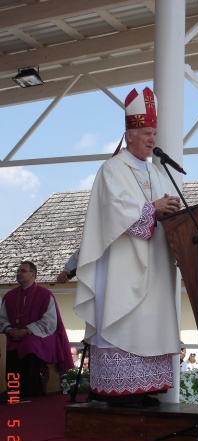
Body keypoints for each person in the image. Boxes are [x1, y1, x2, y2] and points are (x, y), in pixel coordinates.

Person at [74, 86, 181, 407]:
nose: (152, 139)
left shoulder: (160, 172)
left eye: (154, 133)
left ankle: (145, 387)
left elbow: (166, 206)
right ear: (129, 135)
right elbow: (115, 210)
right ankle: (119, 391)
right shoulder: (112, 169)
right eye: (146, 133)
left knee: (151, 322)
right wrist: (152, 209)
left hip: (155, 266)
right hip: (123, 264)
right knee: (122, 318)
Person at [0, 260, 74, 398]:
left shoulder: (45, 294)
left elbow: (50, 322)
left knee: (29, 344)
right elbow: (2, 319)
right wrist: (9, 329)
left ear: (33, 274)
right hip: (13, 335)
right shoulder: (9, 296)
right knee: (7, 346)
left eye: (23, 271)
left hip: (40, 336)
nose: (19, 274)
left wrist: (27, 331)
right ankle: (11, 390)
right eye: (18, 271)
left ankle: (30, 391)